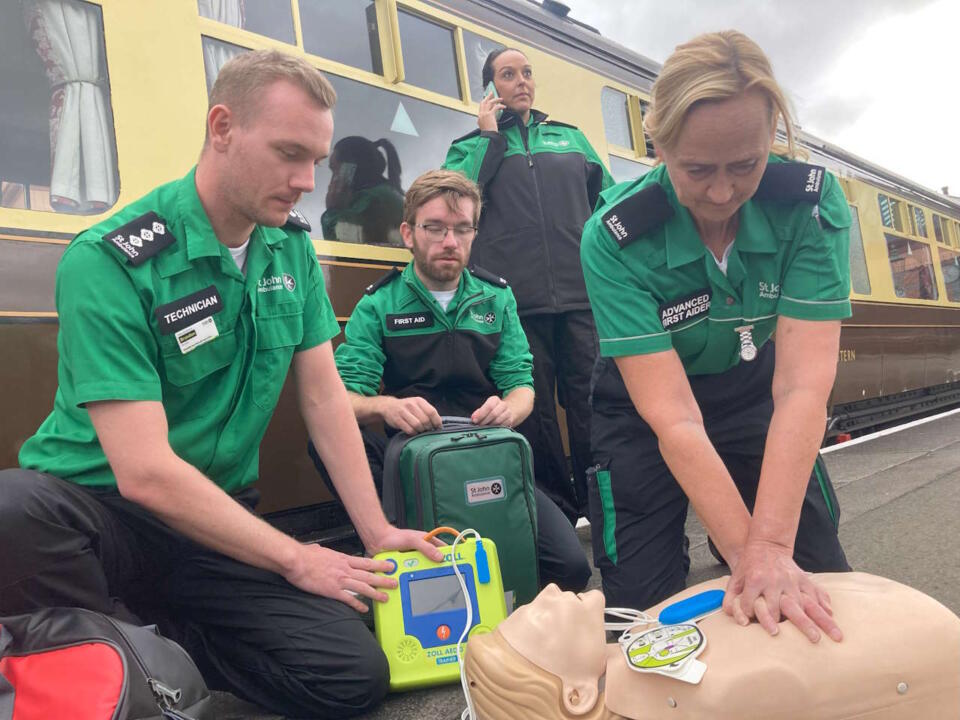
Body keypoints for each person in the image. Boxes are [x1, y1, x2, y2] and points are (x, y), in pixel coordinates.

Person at [0, 50, 442, 719]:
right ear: (222, 127)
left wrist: (376, 531)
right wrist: (297, 559)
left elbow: (324, 399)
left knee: (351, 676)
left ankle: (146, 650)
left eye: (318, 161)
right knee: (14, 510)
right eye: (290, 153)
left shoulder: (290, 247)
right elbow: (144, 473)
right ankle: (116, 651)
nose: (307, 182)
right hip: (103, 519)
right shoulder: (110, 260)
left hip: (215, 521)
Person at [579, 31, 852, 642]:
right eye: (697, 169)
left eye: (746, 166)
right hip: (645, 413)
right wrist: (747, 557)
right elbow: (674, 417)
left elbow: (804, 388)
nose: (722, 194)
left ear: (772, 142)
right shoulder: (615, 236)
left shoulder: (810, 206)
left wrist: (773, 547)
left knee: (814, 584)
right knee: (643, 622)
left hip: (756, 391)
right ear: (660, 142)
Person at [310, 168, 592, 593]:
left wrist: (508, 409)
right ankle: (389, 534)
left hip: (486, 454)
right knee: (325, 440)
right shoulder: (379, 304)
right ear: (408, 234)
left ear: (474, 234)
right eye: (436, 228)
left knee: (572, 568)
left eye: (462, 229)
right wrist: (388, 406)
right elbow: (343, 398)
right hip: (410, 460)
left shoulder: (496, 298)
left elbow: (522, 385)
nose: (450, 241)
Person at [443, 48, 615, 523]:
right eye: (507, 74)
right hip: (514, 304)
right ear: (489, 88)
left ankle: (604, 507)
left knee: (590, 403)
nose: (521, 81)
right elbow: (457, 205)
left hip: (582, 299)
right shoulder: (469, 147)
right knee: (533, 413)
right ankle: (557, 513)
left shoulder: (570, 139)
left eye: (526, 73)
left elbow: (608, 209)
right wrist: (489, 139)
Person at [463, 575, 960, 720]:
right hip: (922, 658)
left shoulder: (641, 637)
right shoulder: (680, 694)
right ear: (575, 695)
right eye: (540, 616)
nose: (548, 591)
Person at [321, 135, 405, 245]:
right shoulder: (385, 193)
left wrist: (332, 211)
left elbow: (343, 246)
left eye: (335, 171)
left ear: (350, 170)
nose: (331, 182)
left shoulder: (371, 199)